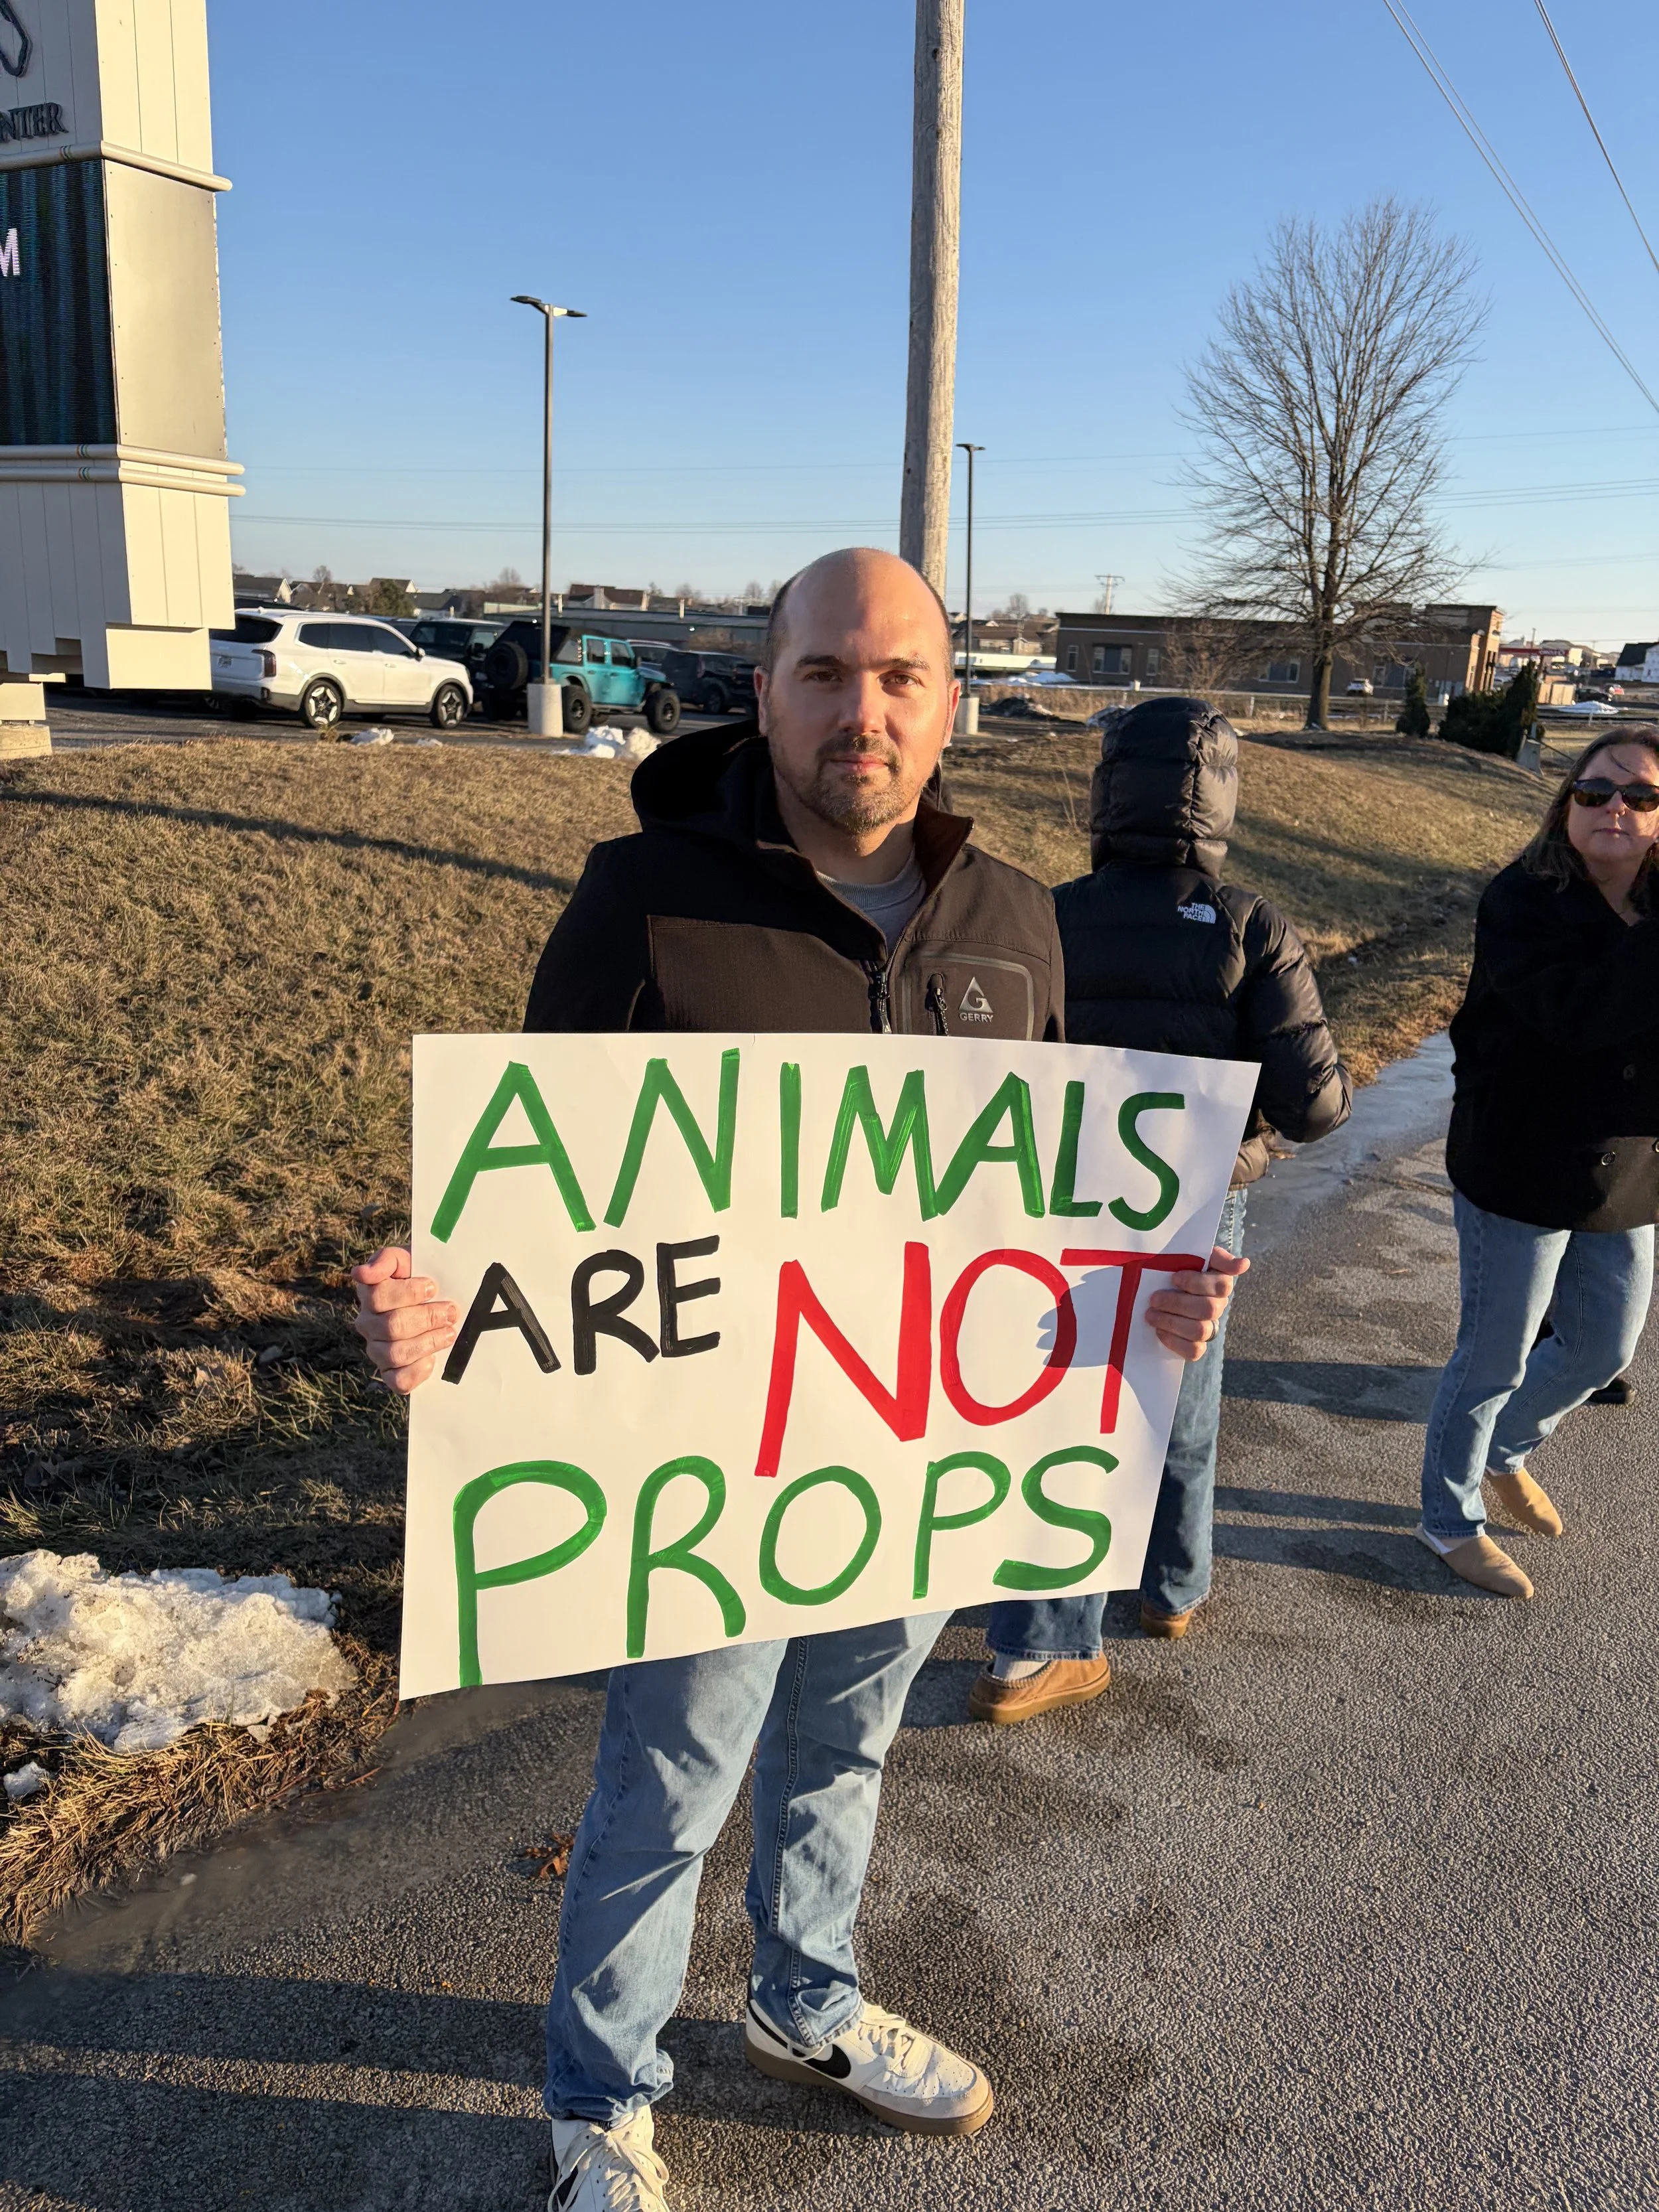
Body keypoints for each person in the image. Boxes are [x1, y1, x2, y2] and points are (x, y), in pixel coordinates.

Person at [350, 549, 1244, 2212]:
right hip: (713, 1471)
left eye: (899, 676)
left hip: (911, 1454)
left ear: (948, 704)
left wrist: (1144, 1302)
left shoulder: (1013, 922)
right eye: (825, 672)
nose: (863, 710)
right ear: (763, 692)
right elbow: (535, 1198)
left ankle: (802, 1999)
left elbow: (1042, 1205)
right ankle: (600, 2097)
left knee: (846, 1743)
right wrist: (445, 1316)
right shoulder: (646, 900)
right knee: (672, 1782)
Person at [970, 694, 1351, 1725]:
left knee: (1064, 1400)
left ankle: (1042, 1635)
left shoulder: (1042, 914)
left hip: (1056, 1197)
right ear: (1221, 798)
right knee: (1177, 1395)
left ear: (1106, 792)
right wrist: (1249, 1140)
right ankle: (1169, 1588)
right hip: (1191, 1204)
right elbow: (1316, 1108)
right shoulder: (1252, 927)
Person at [1417, 729, 1659, 1599]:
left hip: (1626, 1168)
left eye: (1639, 796)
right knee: (1493, 1357)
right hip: (1518, 1160)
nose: (1615, 809)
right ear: (1565, 807)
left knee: (1603, 1345)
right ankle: (1448, 1518)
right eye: (1595, 793)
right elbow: (1578, 1015)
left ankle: (1506, 1450)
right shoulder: (1522, 899)